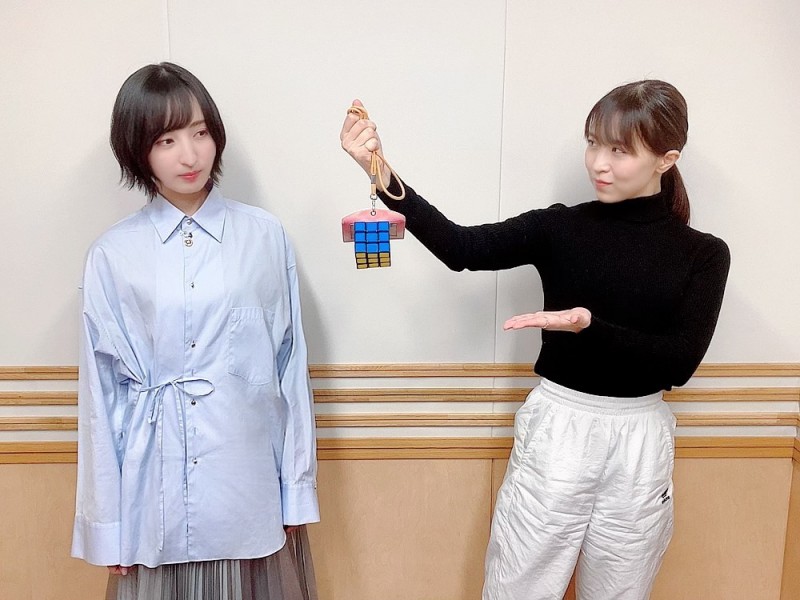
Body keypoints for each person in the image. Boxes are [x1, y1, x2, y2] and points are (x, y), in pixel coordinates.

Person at [340, 80, 730, 600]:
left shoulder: (704, 254)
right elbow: (461, 247)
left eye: (619, 150)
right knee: (518, 587)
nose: (599, 163)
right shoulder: (561, 227)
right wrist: (378, 170)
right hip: (559, 426)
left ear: (666, 159)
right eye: (593, 143)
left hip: (641, 439)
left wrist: (590, 327)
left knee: (621, 591)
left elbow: (679, 363)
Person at [72, 62, 319, 600]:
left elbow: (288, 368)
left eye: (200, 133)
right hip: (152, 497)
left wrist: (296, 490)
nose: (190, 155)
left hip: (246, 490)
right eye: (167, 140)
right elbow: (101, 397)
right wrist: (108, 525)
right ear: (138, 151)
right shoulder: (113, 254)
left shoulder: (264, 236)